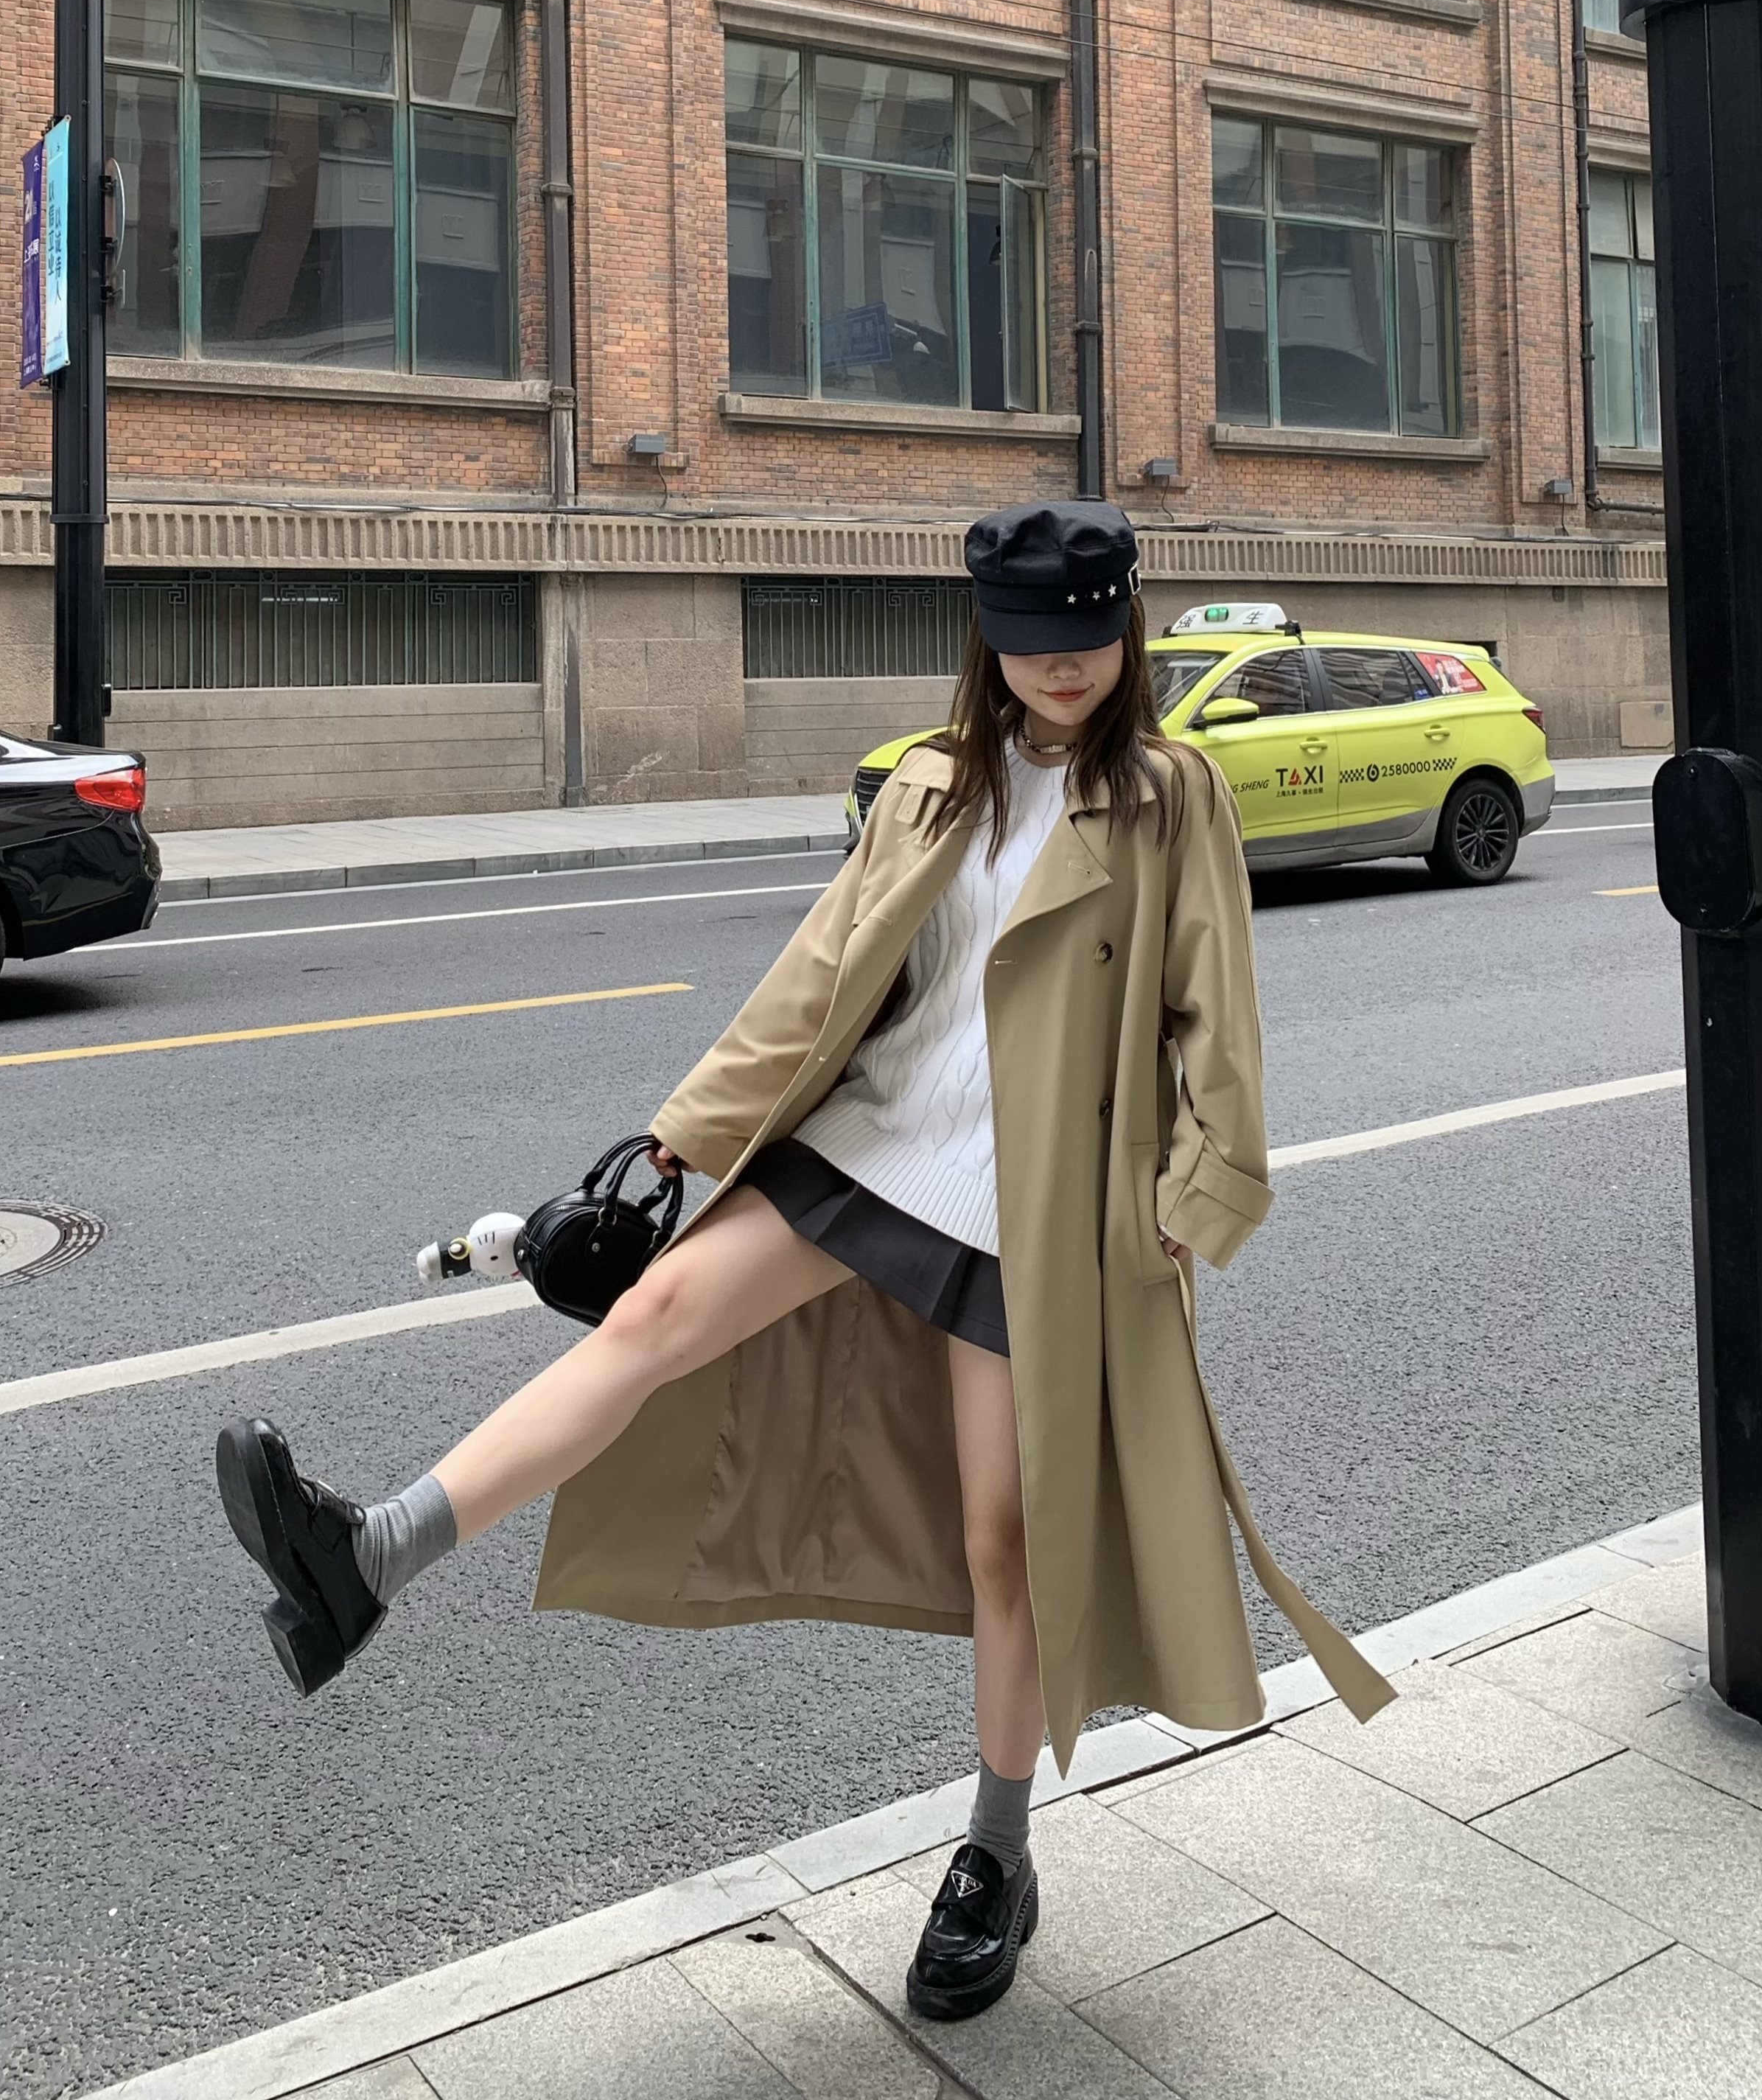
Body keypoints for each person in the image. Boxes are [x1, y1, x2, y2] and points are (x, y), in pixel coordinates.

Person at [216, 500, 1393, 2024]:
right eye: (1030, 641)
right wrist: (684, 1134)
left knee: (1007, 1544)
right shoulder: (934, 782)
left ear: (1126, 628)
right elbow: (821, 974)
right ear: (988, 640)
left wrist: (1198, 1193)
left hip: (1040, 1205)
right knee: (650, 1321)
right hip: (871, 1144)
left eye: (1088, 637)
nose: (1061, 668)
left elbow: (1214, 1009)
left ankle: (996, 1853)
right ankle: (371, 1553)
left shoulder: (1171, 798)